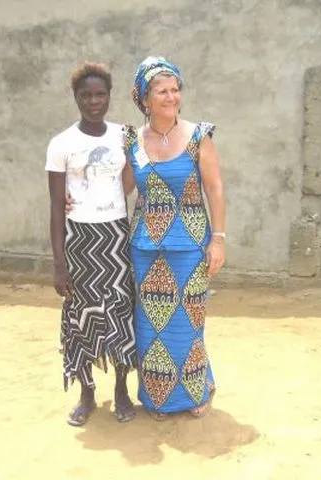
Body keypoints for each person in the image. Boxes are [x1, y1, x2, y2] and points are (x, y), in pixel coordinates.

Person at [123, 56, 226, 420]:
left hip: (190, 247)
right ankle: (159, 399)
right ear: (144, 99)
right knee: (152, 326)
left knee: (189, 322)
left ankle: (195, 392)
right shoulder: (132, 142)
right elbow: (120, 188)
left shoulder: (199, 137)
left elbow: (215, 189)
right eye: (162, 91)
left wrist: (218, 239)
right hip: (145, 249)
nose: (171, 97)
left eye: (175, 89)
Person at [46, 61, 137, 427]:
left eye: (100, 95)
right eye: (86, 95)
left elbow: (128, 184)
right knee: (80, 318)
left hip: (116, 237)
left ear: (109, 96)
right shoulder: (61, 144)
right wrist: (59, 264)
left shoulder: (124, 136)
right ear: (76, 97)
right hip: (79, 241)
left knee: (120, 314)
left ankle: (121, 389)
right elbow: (56, 206)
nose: (94, 102)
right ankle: (86, 392)